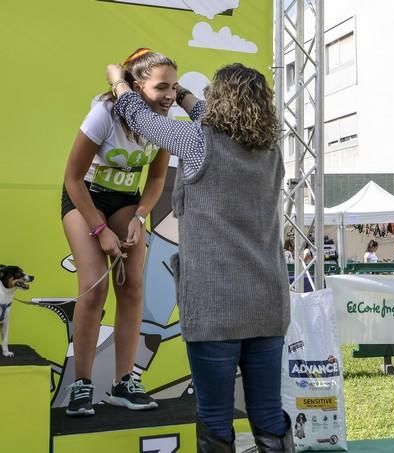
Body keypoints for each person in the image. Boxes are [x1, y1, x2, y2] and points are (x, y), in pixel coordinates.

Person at [107, 62, 293, 452]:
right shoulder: (271, 150)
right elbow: (207, 120)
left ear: (219, 101)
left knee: (215, 418)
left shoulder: (197, 142)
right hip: (267, 300)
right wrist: (185, 97)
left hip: (215, 303)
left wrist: (119, 83)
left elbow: (141, 118)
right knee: (268, 414)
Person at [62, 48, 176, 417]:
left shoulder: (163, 122)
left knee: (132, 287)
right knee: (94, 287)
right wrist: (99, 229)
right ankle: (82, 384)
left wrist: (140, 216)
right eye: (162, 87)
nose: (170, 95)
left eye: (174, 87)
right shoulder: (104, 114)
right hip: (85, 199)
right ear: (137, 87)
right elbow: (73, 179)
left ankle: (124, 381)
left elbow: (157, 178)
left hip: (126, 202)